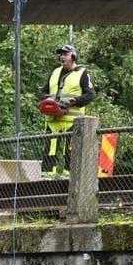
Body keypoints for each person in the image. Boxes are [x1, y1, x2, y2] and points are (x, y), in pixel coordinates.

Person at [41, 44, 96, 177]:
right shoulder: (54, 72)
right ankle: (46, 182)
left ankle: (69, 182)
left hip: (72, 122)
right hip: (52, 121)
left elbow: (90, 95)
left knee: (70, 155)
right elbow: (44, 92)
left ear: (73, 56)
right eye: (61, 54)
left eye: (65, 54)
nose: (62, 57)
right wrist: (46, 101)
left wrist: (73, 102)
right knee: (49, 153)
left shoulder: (83, 73)